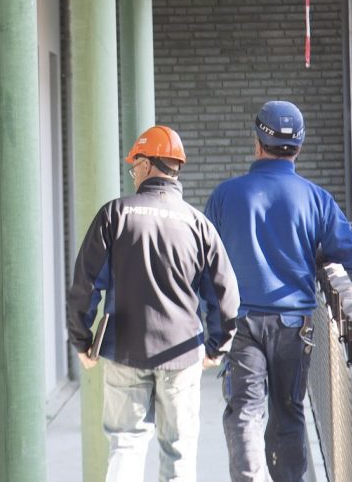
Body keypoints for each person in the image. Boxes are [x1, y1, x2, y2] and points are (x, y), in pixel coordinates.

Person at [205, 101, 352, 482]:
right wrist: (318, 253)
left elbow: (204, 263)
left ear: (257, 141)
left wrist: (209, 323)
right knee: (289, 411)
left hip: (240, 322)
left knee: (245, 410)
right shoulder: (315, 198)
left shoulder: (225, 196)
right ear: (299, 146)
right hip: (295, 323)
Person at [66, 125, 241, 482]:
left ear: (146, 164)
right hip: (182, 354)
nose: (133, 175)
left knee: (126, 445)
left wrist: (81, 340)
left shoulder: (115, 215)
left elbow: (85, 284)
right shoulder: (199, 225)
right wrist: (216, 348)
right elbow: (224, 294)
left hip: (124, 352)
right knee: (177, 452)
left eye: (134, 167)